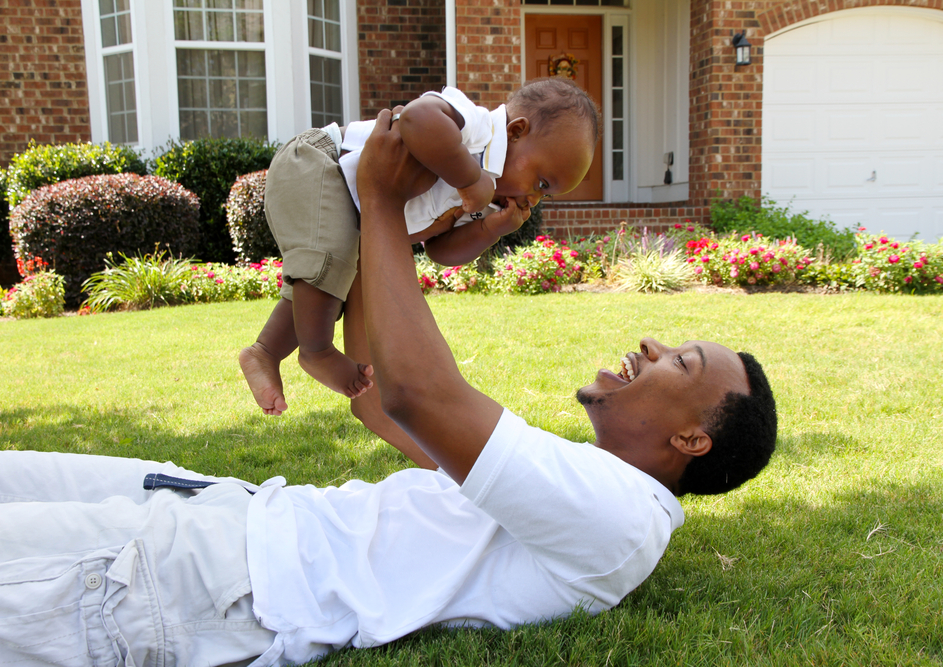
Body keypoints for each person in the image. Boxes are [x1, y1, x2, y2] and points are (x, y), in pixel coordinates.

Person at [0, 110, 778, 667]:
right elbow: (378, 396)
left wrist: (377, 202)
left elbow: (419, 394)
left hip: (209, 579)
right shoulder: (578, 482)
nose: (653, 343)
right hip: (230, 511)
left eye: (681, 361)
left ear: (692, 439)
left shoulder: (620, 520)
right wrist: (392, 227)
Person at [239, 77, 598, 437]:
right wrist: (470, 177)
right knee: (325, 267)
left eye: (546, 196)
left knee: (328, 277)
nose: (534, 200)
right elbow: (417, 118)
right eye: (542, 183)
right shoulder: (477, 128)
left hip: (350, 209)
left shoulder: (487, 200)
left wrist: (491, 229)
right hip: (321, 164)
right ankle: (316, 352)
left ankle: (265, 352)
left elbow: (439, 250)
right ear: (516, 131)